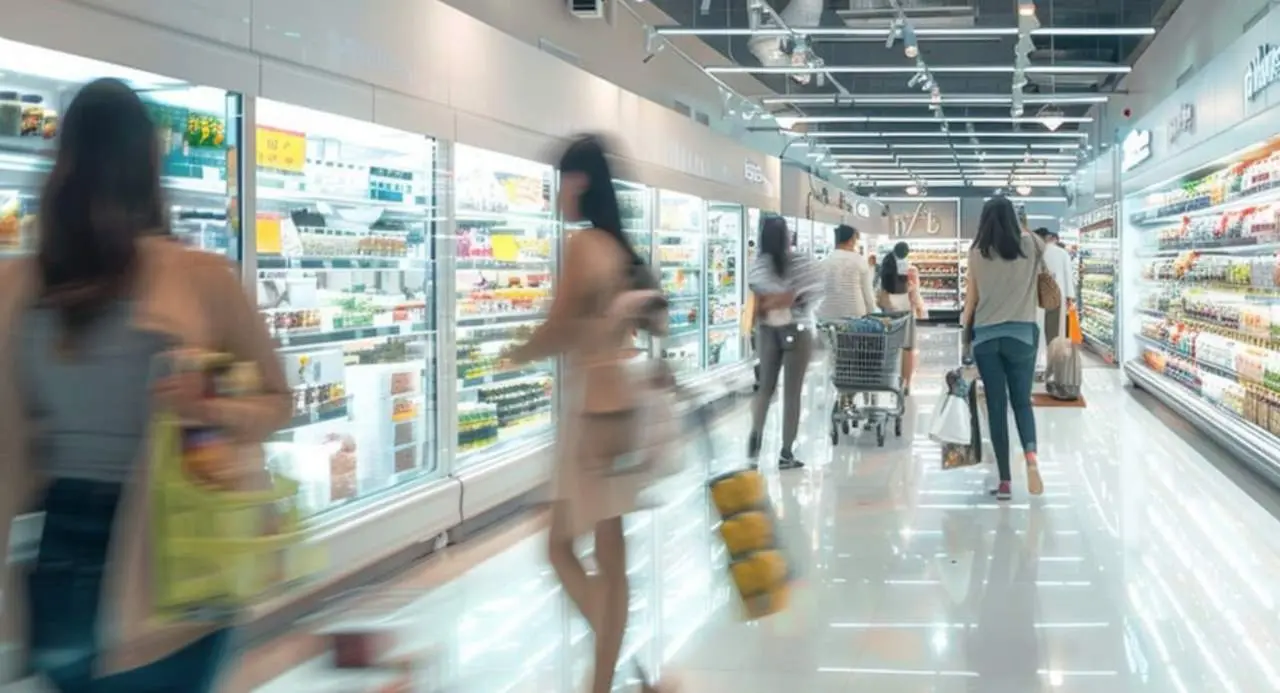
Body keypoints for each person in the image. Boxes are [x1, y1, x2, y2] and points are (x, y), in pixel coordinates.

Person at [0, 78, 291, 691]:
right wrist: (213, 406)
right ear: (150, 162)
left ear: (64, 162)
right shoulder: (201, 277)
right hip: (177, 552)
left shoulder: (20, 288)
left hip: (61, 553)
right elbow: (276, 399)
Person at [502, 134, 669, 693]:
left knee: (557, 545)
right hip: (625, 409)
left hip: (592, 412)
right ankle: (603, 676)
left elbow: (557, 327)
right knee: (611, 548)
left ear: (581, 181)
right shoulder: (621, 249)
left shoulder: (582, 247)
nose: (558, 193)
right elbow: (651, 318)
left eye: (562, 181)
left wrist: (515, 353)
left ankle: (607, 655)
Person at [962, 196, 1045, 501]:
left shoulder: (975, 252)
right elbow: (1032, 236)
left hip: (986, 338)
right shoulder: (1033, 245)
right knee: (1022, 402)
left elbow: (970, 301)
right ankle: (1032, 459)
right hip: (1022, 335)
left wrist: (965, 336)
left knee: (997, 407)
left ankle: (1006, 481)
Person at [747, 216, 823, 470]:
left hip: (768, 330)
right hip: (798, 330)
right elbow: (812, 291)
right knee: (792, 392)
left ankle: (755, 438)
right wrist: (791, 298)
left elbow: (761, 297)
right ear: (787, 237)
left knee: (765, 388)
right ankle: (786, 452)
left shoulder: (758, 265)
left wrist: (772, 300)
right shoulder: (802, 263)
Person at [877, 241, 920, 394]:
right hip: (905, 310)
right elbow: (911, 292)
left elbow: (880, 293)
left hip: (888, 312)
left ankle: (889, 380)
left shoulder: (884, 267)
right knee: (907, 348)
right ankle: (906, 383)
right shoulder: (909, 269)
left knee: (890, 347)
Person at [1033, 227, 1077, 369]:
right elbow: (1067, 274)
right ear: (1048, 237)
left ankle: (1038, 360)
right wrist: (1070, 296)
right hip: (1058, 295)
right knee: (1055, 330)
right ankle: (1054, 362)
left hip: (1038, 296)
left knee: (1038, 327)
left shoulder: (1034, 253)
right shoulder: (1062, 253)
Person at [815, 224, 876, 322]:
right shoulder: (859, 261)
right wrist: (872, 312)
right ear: (852, 239)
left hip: (827, 315)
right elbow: (867, 291)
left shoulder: (824, 262)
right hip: (854, 316)